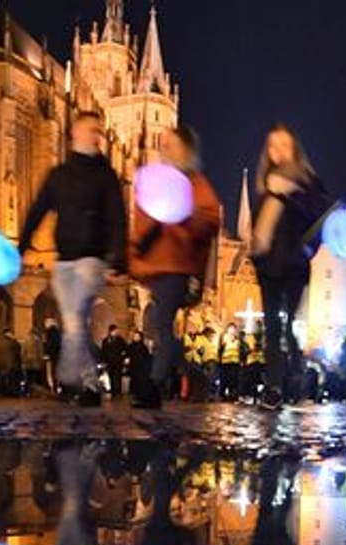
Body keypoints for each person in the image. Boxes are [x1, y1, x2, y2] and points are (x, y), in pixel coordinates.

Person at [18, 111, 128, 408]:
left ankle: (72, 377)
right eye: (91, 130)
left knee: (76, 317)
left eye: (99, 132)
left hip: (92, 260)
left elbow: (118, 218)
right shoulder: (60, 175)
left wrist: (118, 258)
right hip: (63, 260)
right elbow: (37, 210)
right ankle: (89, 383)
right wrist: (21, 245)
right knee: (75, 322)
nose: (97, 136)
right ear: (74, 134)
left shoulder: (106, 175)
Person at [127, 125, 221, 409]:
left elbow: (209, 218)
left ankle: (153, 388)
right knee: (162, 326)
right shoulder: (160, 180)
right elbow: (143, 224)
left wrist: (183, 216)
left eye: (171, 144)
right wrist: (133, 254)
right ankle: (193, 374)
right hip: (158, 265)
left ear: (186, 149)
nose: (164, 148)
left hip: (177, 265)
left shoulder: (193, 182)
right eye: (163, 143)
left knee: (162, 325)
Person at [250, 124, 330, 409]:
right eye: (272, 145)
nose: (278, 151)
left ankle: (296, 375)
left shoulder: (308, 181)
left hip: (294, 263)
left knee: (288, 327)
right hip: (268, 263)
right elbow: (259, 226)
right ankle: (273, 388)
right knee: (272, 327)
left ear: (294, 149)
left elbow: (318, 217)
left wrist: (288, 195)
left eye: (284, 145)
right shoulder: (265, 183)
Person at [99, 324, 128, 399]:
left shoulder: (120, 340)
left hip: (118, 362)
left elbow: (125, 349)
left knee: (117, 377)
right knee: (111, 376)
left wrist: (123, 357)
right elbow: (103, 351)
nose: (116, 332)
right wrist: (103, 361)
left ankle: (117, 392)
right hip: (109, 362)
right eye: (114, 331)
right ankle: (113, 391)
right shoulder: (106, 341)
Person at [218, 323, 244, 402]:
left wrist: (241, 360)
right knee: (224, 379)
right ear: (228, 330)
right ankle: (222, 395)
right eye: (231, 329)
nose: (232, 331)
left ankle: (232, 395)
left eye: (234, 329)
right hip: (225, 363)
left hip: (235, 363)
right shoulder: (224, 338)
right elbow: (220, 350)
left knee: (234, 380)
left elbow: (240, 351)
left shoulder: (237, 340)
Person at [125, 330, 152, 398]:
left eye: (137, 336)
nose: (135, 337)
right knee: (133, 379)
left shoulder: (143, 347)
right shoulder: (131, 346)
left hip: (140, 367)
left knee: (139, 380)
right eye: (135, 336)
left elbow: (145, 356)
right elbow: (127, 354)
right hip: (133, 366)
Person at [42, 317, 62, 392]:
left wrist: (47, 352)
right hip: (58, 356)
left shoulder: (49, 332)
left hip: (51, 356)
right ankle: (57, 387)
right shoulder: (58, 333)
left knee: (51, 373)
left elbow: (49, 344)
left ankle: (53, 388)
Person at [23, 328, 45, 394]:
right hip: (36, 362)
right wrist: (41, 360)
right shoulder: (38, 341)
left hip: (27, 362)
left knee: (28, 378)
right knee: (34, 378)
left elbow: (23, 352)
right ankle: (34, 392)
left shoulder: (25, 341)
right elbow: (40, 352)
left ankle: (28, 391)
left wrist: (23, 360)